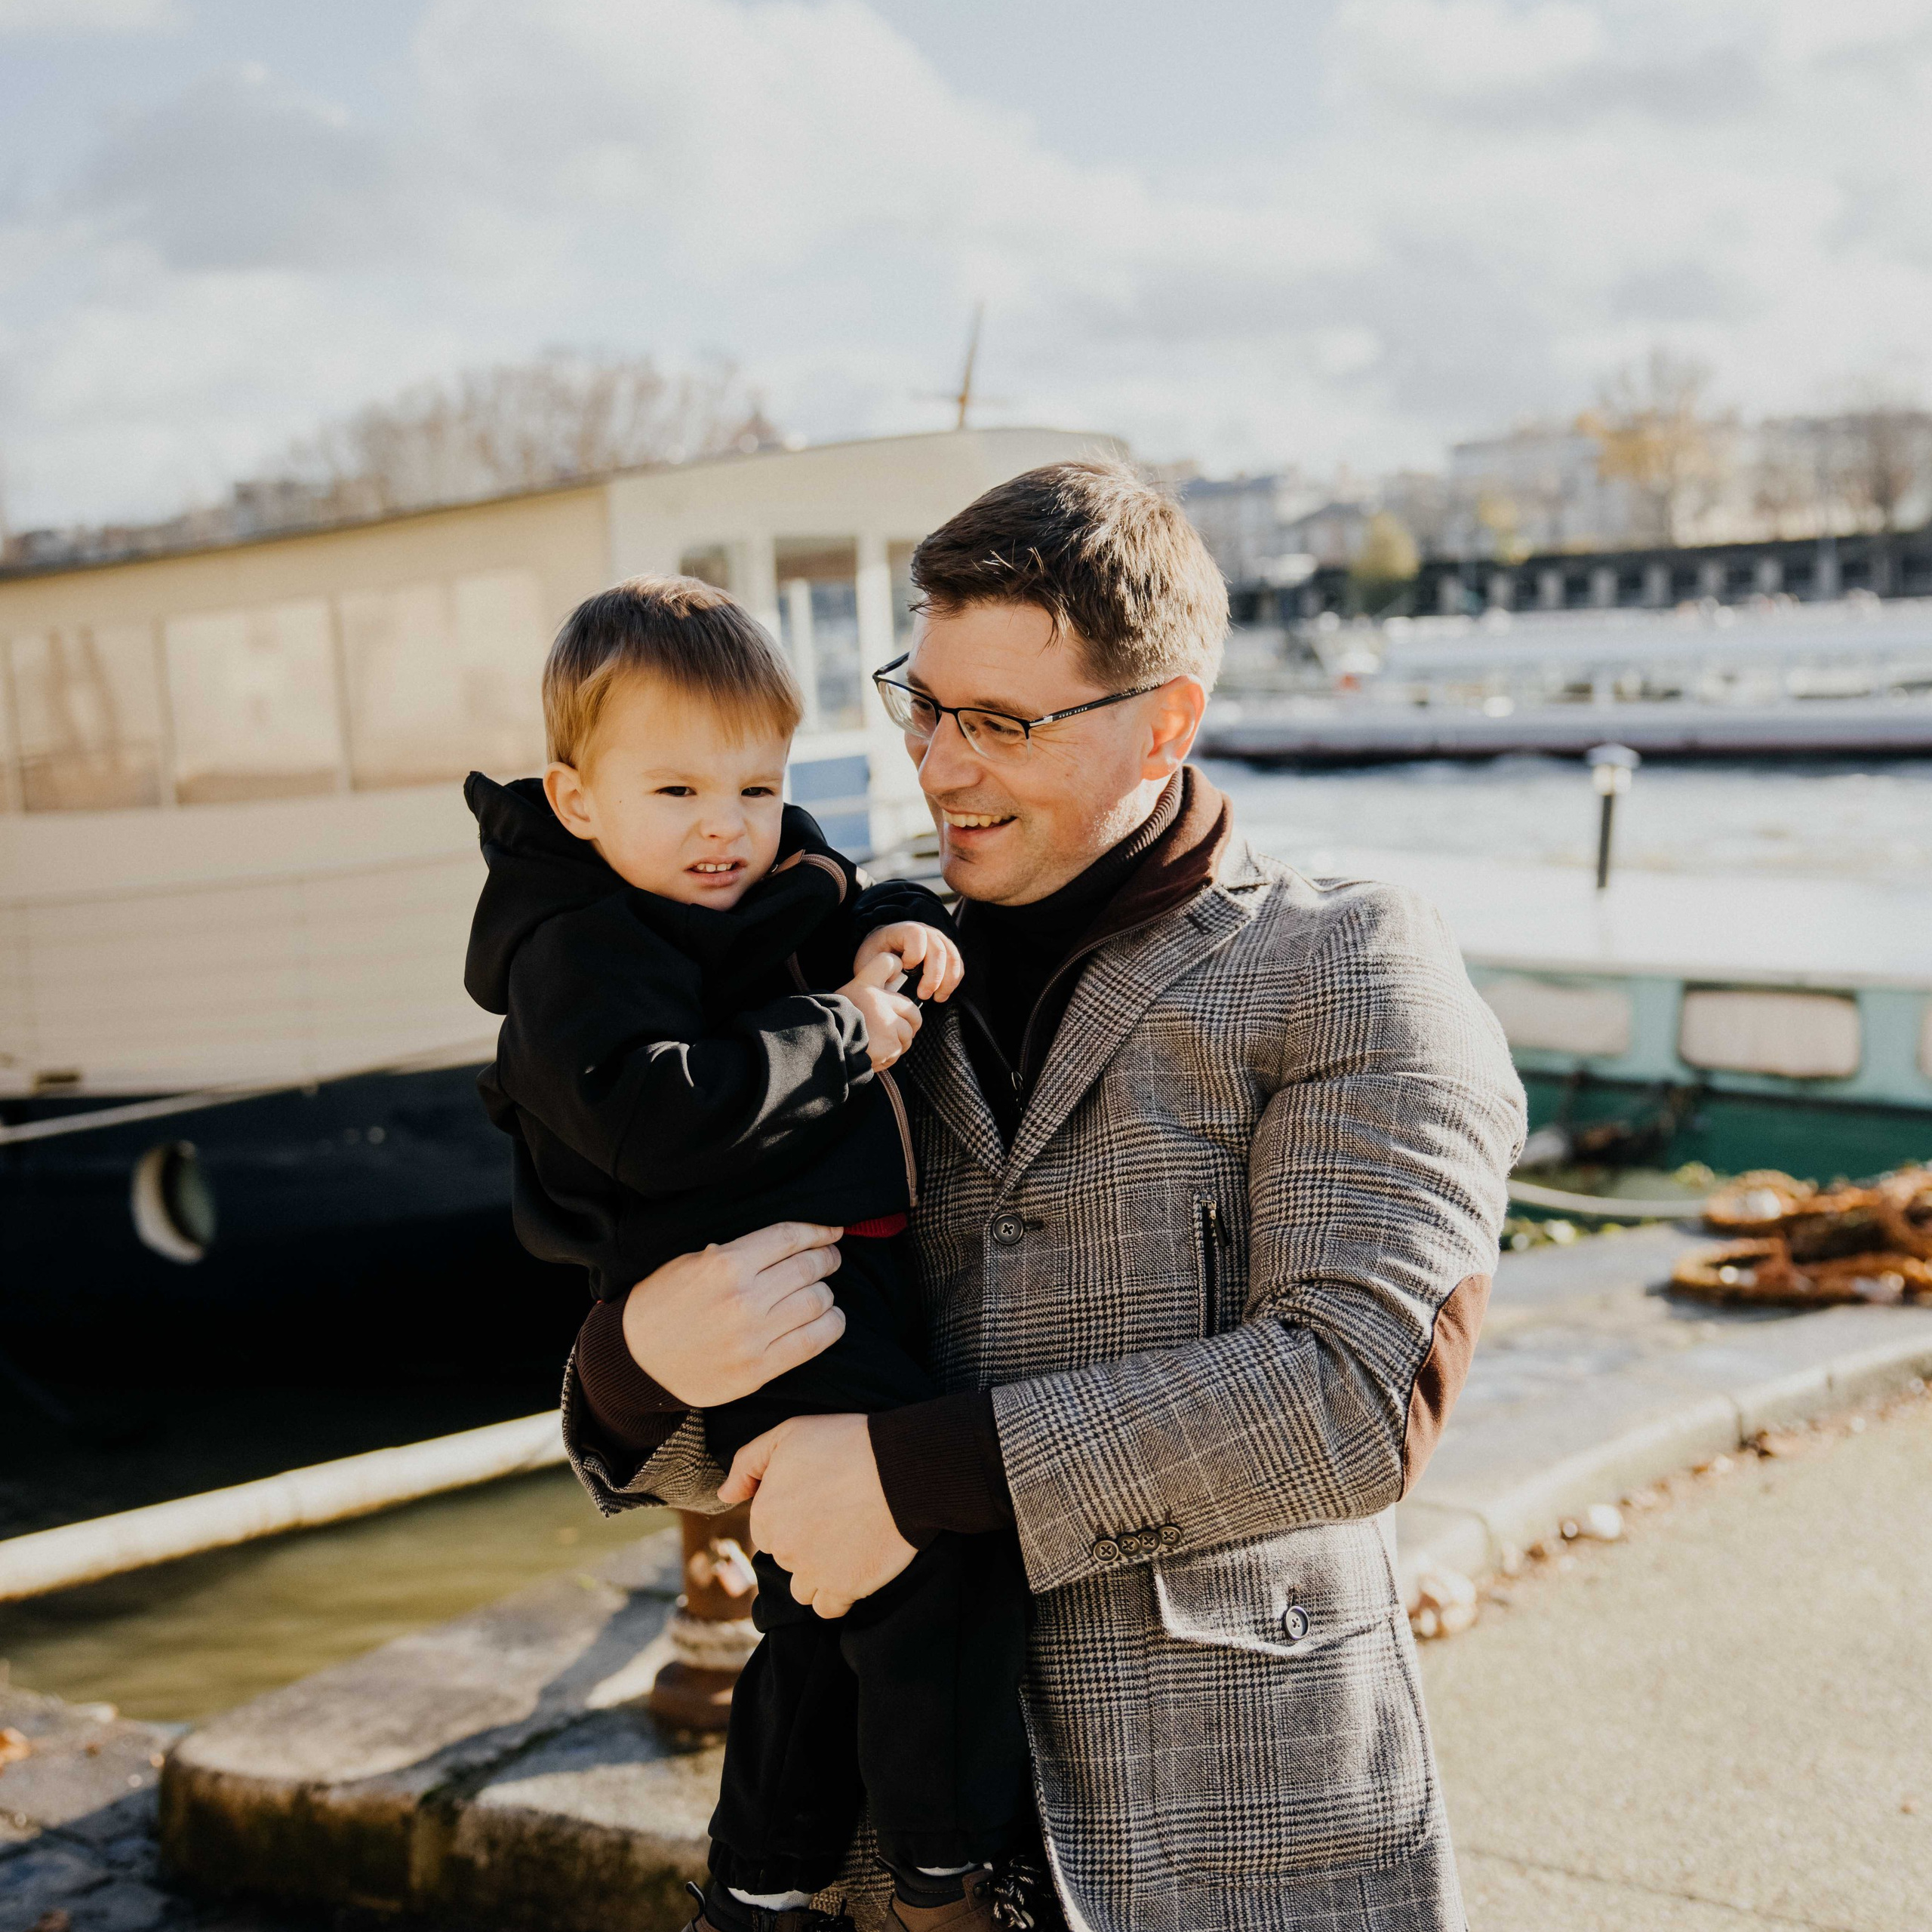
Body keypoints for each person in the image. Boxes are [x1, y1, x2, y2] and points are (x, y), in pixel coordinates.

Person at [565, 463, 1527, 1932]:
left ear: (1165, 721)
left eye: (1002, 724)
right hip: (880, 1872)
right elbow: (718, 1445)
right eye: (923, 703)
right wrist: (635, 1369)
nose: (936, 767)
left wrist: (914, 1469)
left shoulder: (1353, 962)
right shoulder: (845, 967)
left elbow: (1354, 1397)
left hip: (1242, 1851)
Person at [463, 575, 1039, 1932]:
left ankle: (768, 1872)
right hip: (749, 1299)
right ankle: (943, 1866)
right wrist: (842, 1032)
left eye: (755, 787)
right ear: (576, 796)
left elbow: (820, 893)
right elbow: (651, 1114)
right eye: (676, 796)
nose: (725, 828)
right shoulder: (574, 948)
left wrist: (904, 924)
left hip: (828, 1278)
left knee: (817, 1604)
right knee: (921, 1559)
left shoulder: (734, 866)